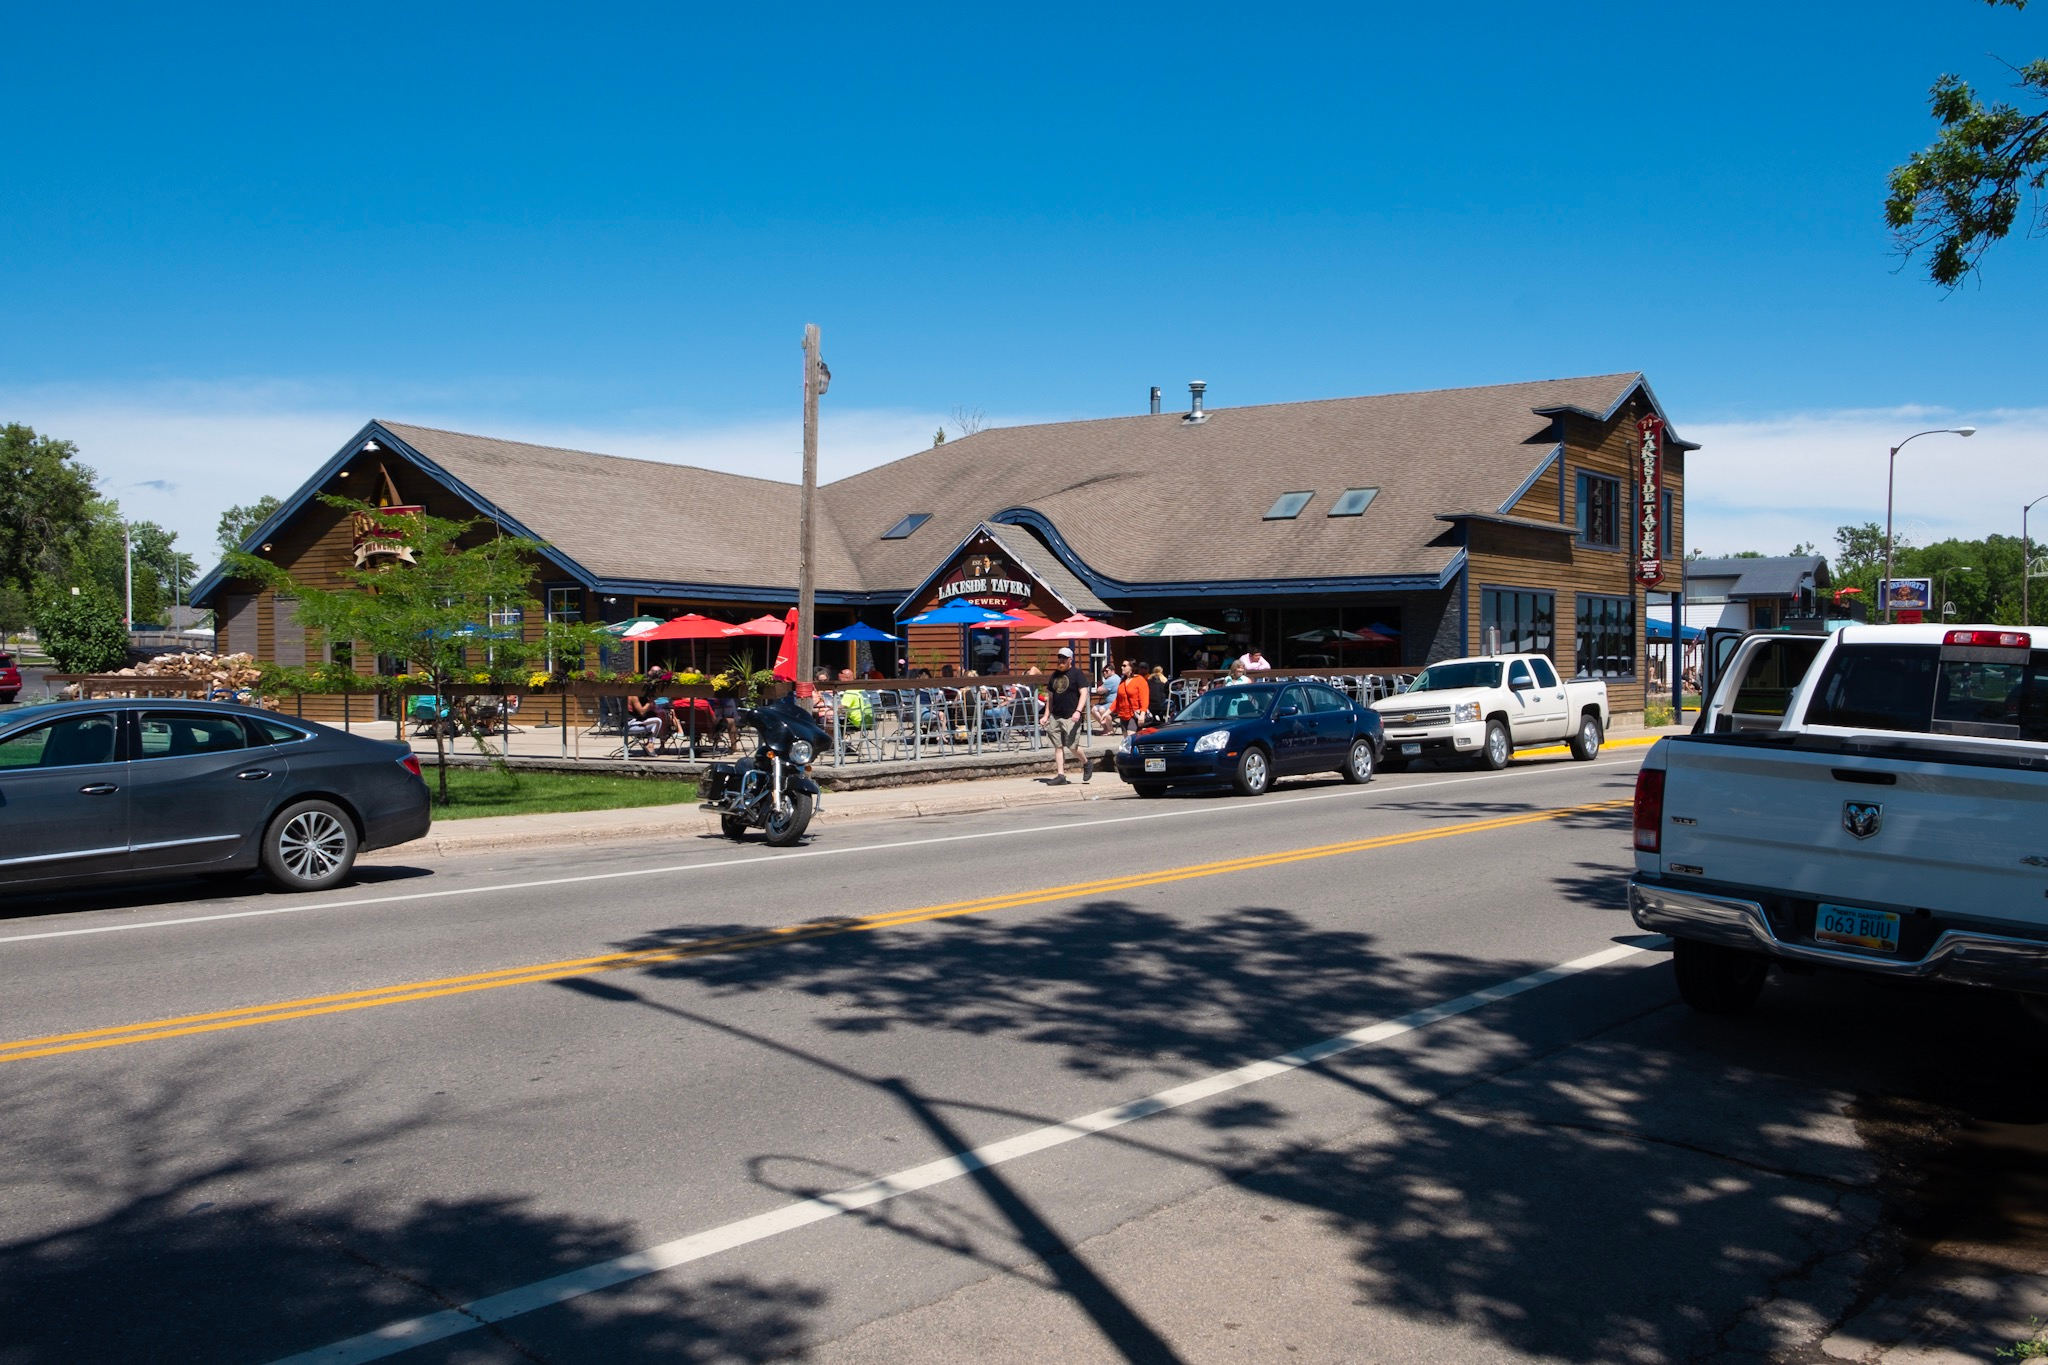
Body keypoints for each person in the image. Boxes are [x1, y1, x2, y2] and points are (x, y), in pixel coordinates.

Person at [1039, 647, 1091, 784]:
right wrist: (1046, 715)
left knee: (1072, 746)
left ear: (1070, 660)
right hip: (1055, 716)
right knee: (1058, 745)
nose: (1060, 660)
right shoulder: (1055, 675)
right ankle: (1061, 775)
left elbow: (1084, 693)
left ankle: (1086, 763)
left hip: (1071, 715)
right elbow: (1050, 696)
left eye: (1063, 658)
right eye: (1059, 658)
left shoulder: (1077, 674)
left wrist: (1078, 711)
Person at [1109, 658, 1149, 737]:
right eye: (1122, 665)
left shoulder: (1140, 680)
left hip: (1134, 714)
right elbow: (1118, 700)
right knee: (1126, 739)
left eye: (1124, 666)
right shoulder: (1123, 681)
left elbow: (1144, 698)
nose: (1121, 667)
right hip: (1123, 714)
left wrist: (1142, 714)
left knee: (1131, 736)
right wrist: (1107, 712)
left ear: (1131, 667)